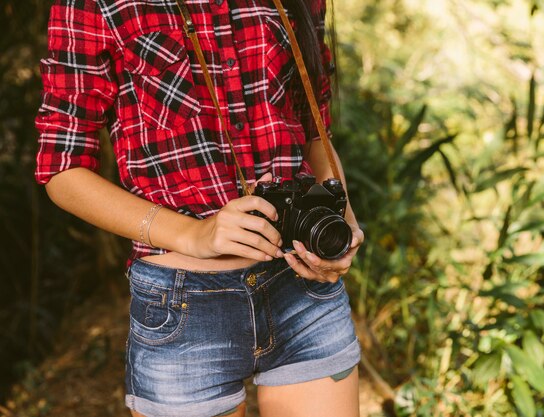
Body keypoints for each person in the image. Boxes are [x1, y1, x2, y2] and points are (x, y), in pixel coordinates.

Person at [34, 0, 364, 416]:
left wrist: (342, 220)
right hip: (183, 305)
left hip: (303, 286)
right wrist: (194, 234)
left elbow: (316, 130)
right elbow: (62, 170)